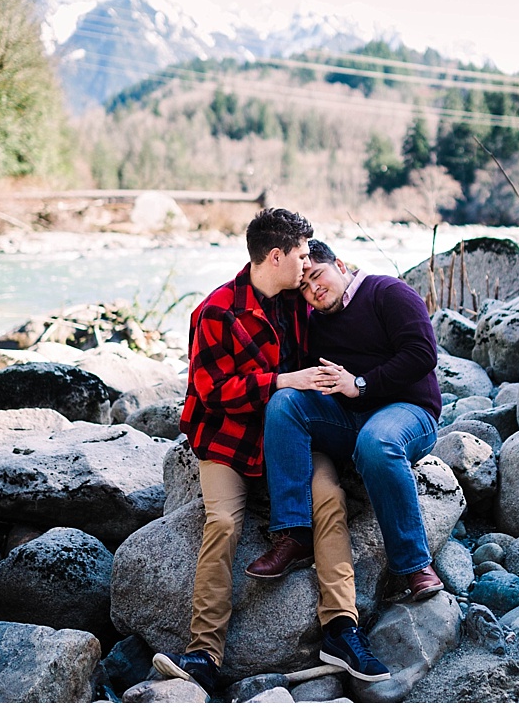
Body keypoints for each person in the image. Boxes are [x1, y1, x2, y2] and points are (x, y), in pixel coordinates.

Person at [152, 210, 391, 698]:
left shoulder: (298, 304)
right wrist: (282, 382)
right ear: (275, 257)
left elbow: (341, 328)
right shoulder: (215, 311)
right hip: (226, 437)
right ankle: (203, 654)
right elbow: (211, 391)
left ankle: (341, 630)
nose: (308, 265)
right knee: (221, 522)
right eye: (302, 255)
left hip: (290, 434)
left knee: (329, 499)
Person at [245, 238, 445, 606]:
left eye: (318, 276)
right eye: (303, 287)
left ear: (339, 265)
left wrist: (361, 384)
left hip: (408, 410)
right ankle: (294, 534)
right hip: (346, 418)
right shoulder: (314, 322)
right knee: (285, 402)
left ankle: (414, 565)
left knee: (376, 442)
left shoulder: (388, 292)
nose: (313, 290)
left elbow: (422, 354)